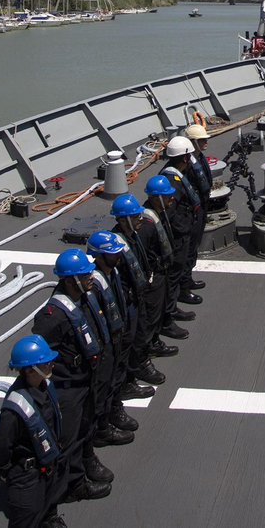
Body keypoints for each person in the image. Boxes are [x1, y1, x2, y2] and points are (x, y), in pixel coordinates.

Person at [30, 249, 112, 502]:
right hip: (68, 388)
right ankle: (68, 487)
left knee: (86, 428)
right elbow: (41, 358)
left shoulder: (84, 298)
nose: (90, 277)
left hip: (86, 379)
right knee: (68, 440)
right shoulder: (50, 318)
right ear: (68, 280)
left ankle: (84, 466)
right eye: (84, 274)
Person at [0, 335, 70, 528]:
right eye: (45, 363)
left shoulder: (44, 386)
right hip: (28, 477)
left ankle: (48, 519)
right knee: (26, 518)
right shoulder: (15, 408)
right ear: (30, 370)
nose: (51, 365)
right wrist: (8, 474)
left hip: (49, 464)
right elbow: (1, 450)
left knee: (49, 501)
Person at [86, 230, 153, 434]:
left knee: (118, 373)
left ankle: (114, 407)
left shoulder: (113, 272)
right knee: (105, 383)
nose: (118, 256)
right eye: (113, 253)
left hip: (120, 335)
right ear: (99, 256)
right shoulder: (95, 285)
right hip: (108, 342)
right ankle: (103, 424)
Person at [111, 193, 175, 381]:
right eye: (136, 216)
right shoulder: (116, 248)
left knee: (142, 331)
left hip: (141, 295)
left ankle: (141, 361)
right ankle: (135, 371)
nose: (141, 219)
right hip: (130, 301)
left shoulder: (135, 236)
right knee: (134, 338)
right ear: (123, 220)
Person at [142, 175, 196, 339]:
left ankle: (168, 317)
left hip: (165, 268)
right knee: (154, 309)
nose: (172, 198)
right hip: (156, 273)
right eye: (167, 195)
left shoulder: (160, 213)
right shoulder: (146, 224)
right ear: (157, 198)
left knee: (167, 295)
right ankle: (160, 331)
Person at [160, 135, 204, 308]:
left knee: (188, 258)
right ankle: (178, 297)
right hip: (181, 231)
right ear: (185, 157)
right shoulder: (171, 180)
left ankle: (186, 283)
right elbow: (171, 212)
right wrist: (184, 229)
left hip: (187, 224)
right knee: (177, 266)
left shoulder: (177, 173)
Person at [182, 124, 214, 295]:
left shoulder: (200, 158)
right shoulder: (187, 165)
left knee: (194, 247)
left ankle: (188, 279)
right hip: (192, 212)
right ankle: (184, 286)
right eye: (202, 139)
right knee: (187, 250)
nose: (206, 141)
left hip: (201, 209)